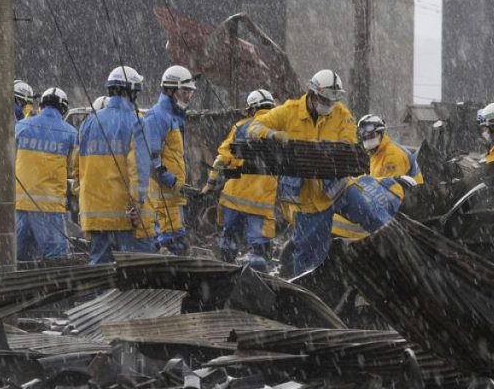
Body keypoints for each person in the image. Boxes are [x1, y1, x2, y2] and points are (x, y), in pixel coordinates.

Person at [247, 69, 355, 276]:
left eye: (332, 101)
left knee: (318, 249)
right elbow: (254, 128)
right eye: (324, 99)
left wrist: (330, 150)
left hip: (328, 192)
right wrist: (272, 134)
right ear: (312, 94)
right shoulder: (289, 111)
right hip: (299, 195)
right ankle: (302, 288)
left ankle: (310, 283)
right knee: (308, 252)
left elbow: (349, 142)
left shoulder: (340, 113)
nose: (328, 105)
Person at [77, 66, 155, 264]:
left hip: (94, 214)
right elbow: (138, 168)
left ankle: (98, 296)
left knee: (100, 275)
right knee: (133, 271)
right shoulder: (137, 122)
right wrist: (137, 204)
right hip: (123, 215)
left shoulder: (88, 122)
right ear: (132, 92)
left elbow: (78, 168)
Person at [203, 89, 278, 269]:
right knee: (259, 250)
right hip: (261, 203)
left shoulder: (240, 127)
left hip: (233, 200)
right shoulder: (278, 129)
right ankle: (256, 283)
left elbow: (221, 159)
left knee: (228, 241)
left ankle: (225, 272)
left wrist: (210, 184)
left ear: (252, 109)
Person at [332, 114, 423, 239]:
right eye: (364, 137)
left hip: (410, 204)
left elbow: (391, 191)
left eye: (371, 135)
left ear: (381, 133)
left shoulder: (393, 155)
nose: (367, 139)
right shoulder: (375, 153)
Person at [14, 87, 79, 261]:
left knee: (18, 259)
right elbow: (74, 168)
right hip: (48, 208)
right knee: (56, 259)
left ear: (41, 105)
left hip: (19, 206)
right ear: (63, 108)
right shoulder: (70, 133)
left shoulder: (20, 126)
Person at [143, 65, 195, 255]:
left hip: (173, 196)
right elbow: (149, 157)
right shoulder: (158, 117)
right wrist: (168, 178)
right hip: (164, 197)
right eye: (185, 92)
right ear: (171, 90)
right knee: (172, 244)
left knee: (176, 243)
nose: (188, 97)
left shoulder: (173, 117)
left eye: (190, 92)